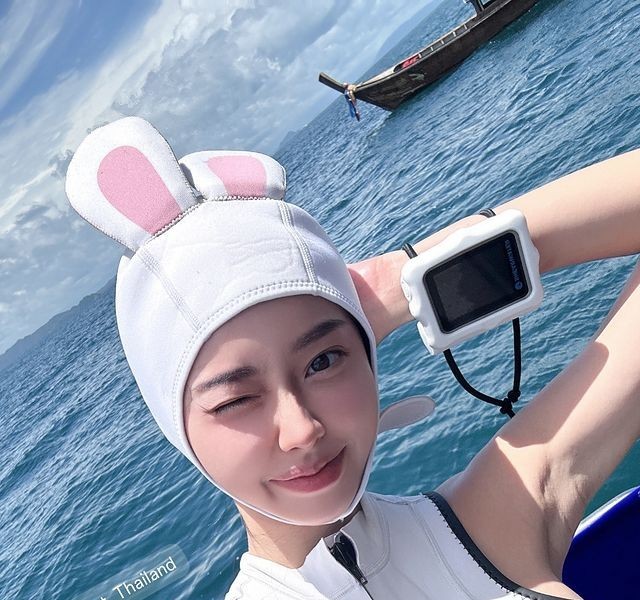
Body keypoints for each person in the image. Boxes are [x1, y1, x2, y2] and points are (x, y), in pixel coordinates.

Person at [65, 116, 640, 600]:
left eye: (324, 361)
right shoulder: (498, 525)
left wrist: (403, 279)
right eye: (236, 399)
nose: (302, 430)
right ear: (178, 427)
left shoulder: (490, 524)